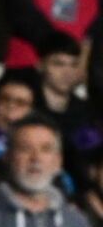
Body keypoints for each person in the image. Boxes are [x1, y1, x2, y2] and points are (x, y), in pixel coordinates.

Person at [33, 33, 103, 171]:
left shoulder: (89, 112)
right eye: (58, 64)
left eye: (74, 65)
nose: (67, 72)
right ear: (40, 65)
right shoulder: (25, 107)